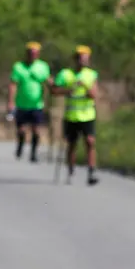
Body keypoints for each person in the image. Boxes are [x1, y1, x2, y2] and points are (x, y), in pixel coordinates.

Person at [53, 45, 100, 187]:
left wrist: (84, 85)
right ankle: (70, 169)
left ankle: (91, 172)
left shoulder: (91, 75)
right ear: (75, 59)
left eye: (85, 58)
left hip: (87, 115)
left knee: (90, 142)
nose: (83, 61)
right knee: (72, 145)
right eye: (80, 58)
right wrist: (68, 90)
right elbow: (54, 90)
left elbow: (93, 95)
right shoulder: (66, 74)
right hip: (71, 116)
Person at [8, 40, 53, 164]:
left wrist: (54, 87)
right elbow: (13, 84)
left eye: (35, 53)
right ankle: (20, 145)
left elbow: (48, 80)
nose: (33, 55)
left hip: (36, 105)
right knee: (21, 130)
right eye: (31, 53)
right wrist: (11, 102)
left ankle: (33, 153)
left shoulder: (42, 67)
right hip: (21, 104)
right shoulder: (19, 67)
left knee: (36, 131)